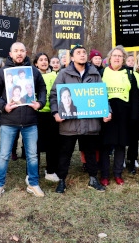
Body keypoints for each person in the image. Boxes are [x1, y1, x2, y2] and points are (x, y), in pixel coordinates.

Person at [49, 44, 112, 193]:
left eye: (84, 52)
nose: (82, 55)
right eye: (78, 53)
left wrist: (107, 111)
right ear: (72, 57)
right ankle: (62, 181)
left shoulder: (95, 73)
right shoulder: (64, 74)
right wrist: (55, 112)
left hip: (89, 123)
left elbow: (102, 96)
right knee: (65, 153)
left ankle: (93, 179)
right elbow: (53, 95)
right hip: (69, 123)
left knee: (90, 152)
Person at [0, 42, 47, 198]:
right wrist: (3, 106)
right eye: (16, 51)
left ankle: (33, 184)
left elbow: (42, 89)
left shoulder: (33, 72)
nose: (19, 53)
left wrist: (40, 103)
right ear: (10, 54)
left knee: (33, 155)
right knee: (3, 155)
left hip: (30, 121)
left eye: (22, 50)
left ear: (26, 52)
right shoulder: (3, 72)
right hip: (9, 120)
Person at [99, 46, 139, 186]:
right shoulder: (102, 72)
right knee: (104, 145)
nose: (117, 58)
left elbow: (135, 97)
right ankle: (104, 174)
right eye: (114, 55)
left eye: (120, 56)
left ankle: (117, 173)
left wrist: (134, 117)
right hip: (106, 114)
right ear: (109, 58)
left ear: (123, 59)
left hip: (124, 115)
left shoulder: (129, 74)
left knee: (120, 145)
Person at [33, 52, 59, 183]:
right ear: (36, 63)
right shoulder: (31, 75)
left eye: (45, 60)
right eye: (40, 60)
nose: (44, 62)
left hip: (52, 114)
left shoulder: (56, 75)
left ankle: (51, 171)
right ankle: (32, 173)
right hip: (36, 114)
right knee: (34, 145)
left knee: (52, 145)